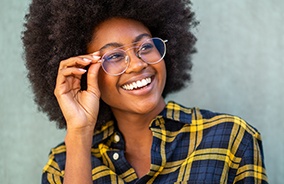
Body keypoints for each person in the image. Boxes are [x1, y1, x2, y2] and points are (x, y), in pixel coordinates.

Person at [22, 0, 268, 183]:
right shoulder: (63, 164)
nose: (139, 64)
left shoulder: (229, 138)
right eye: (115, 56)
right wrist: (79, 131)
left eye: (145, 46)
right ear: (84, 73)